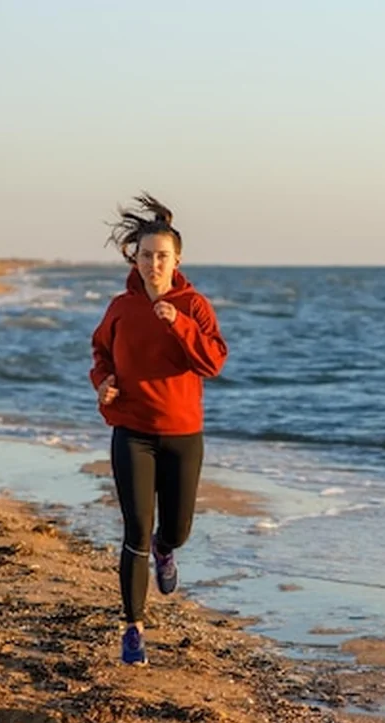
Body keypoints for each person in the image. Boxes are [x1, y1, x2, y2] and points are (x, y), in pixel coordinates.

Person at [89, 193, 228, 666]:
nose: (153, 264)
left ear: (177, 260)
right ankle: (133, 628)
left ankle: (165, 551)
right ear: (136, 257)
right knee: (135, 529)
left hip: (183, 434)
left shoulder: (194, 305)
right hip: (132, 431)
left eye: (162, 256)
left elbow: (213, 362)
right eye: (146, 256)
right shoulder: (120, 308)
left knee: (177, 529)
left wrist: (181, 325)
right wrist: (103, 384)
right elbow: (101, 357)